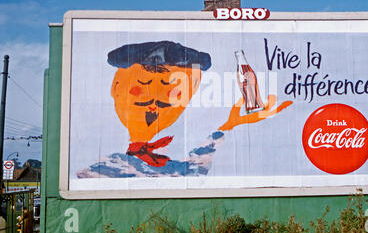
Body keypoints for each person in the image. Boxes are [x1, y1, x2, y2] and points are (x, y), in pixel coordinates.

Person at [77, 40, 292, 178]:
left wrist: (230, 127)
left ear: (191, 93)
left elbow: (198, 169)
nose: (154, 101)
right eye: (142, 85)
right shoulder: (102, 170)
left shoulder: (186, 162)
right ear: (116, 86)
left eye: (171, 90)